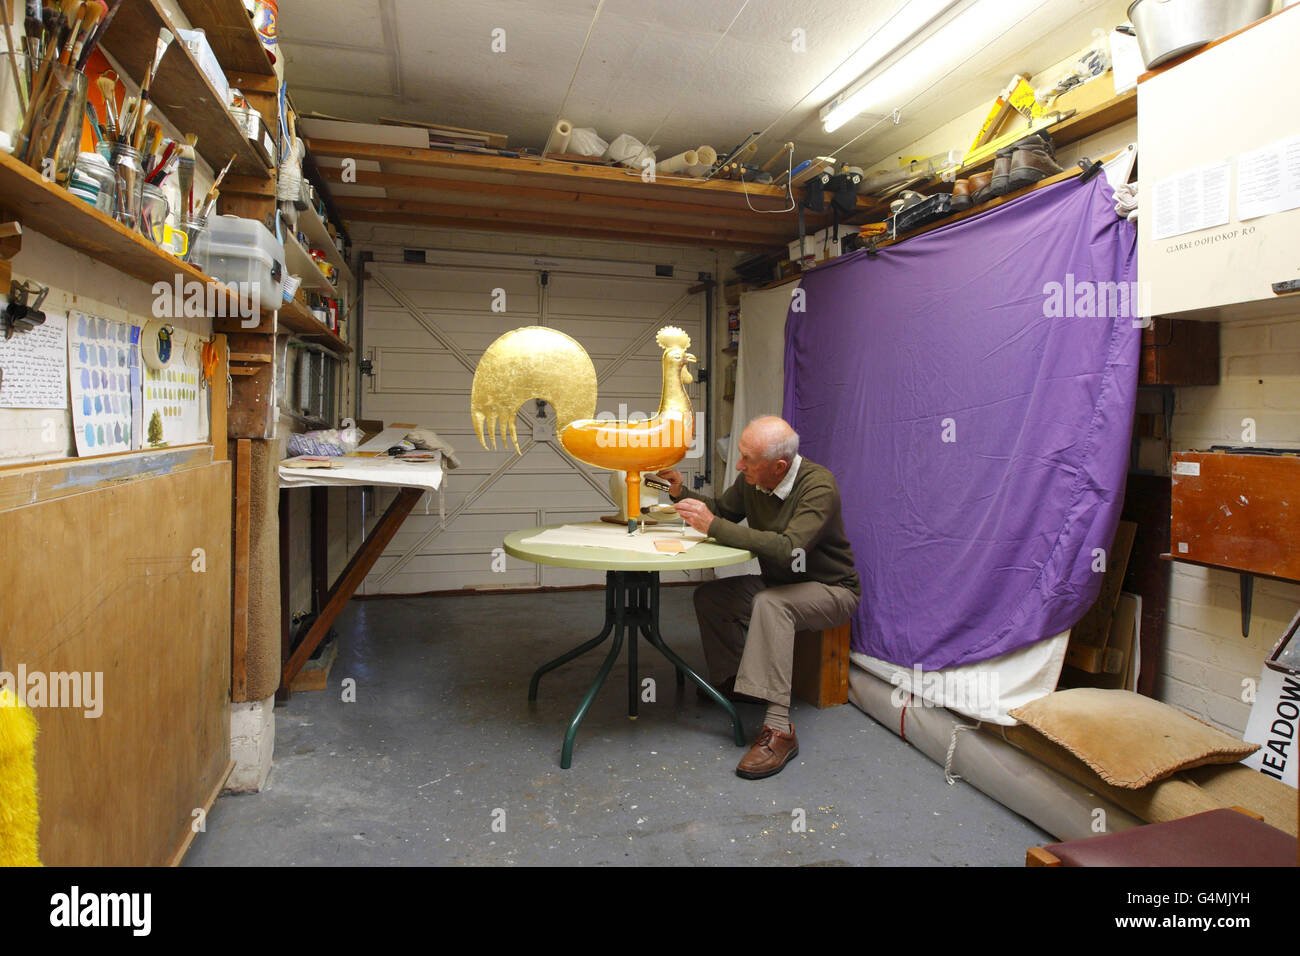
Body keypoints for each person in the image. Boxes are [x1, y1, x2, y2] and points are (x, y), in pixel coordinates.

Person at [658, 416, 860, 779]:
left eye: (747, 459)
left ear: (779, 466)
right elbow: (721, 511)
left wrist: (713, 526)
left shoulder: (818, 486)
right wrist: (680, 492)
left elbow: (788, 548)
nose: (739, 465)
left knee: (771, 604)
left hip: (831, 590)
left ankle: (780, 729)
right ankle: (737, 685)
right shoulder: (755, 479)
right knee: (711, 597)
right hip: (781, 586)